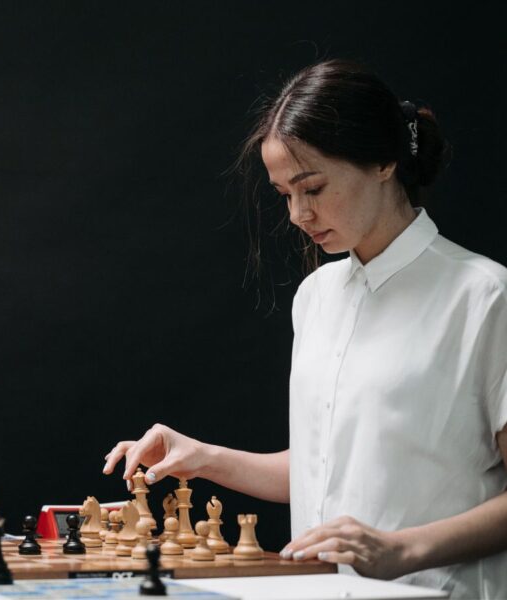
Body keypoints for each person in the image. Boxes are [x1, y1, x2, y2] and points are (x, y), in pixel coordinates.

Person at [102, 59, 507, 599]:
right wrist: (200, 457)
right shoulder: (317, 297)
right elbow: (328, 464)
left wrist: (403, 548)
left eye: (312, 187)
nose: (298, 214)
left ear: (384, 161)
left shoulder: (484, 296)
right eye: (284, 194)